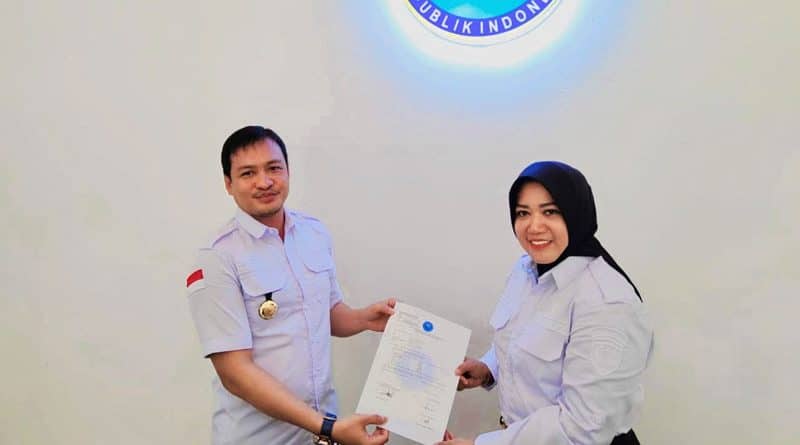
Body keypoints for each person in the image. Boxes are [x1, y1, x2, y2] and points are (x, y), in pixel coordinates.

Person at [185, 125, 395, 445]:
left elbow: (325, 312)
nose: (264, 182)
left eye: (273, 168)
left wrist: (365, 318)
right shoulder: (218, 257)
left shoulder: (314, 233)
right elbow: (235, 373)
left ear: (287, 171)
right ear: (228, 183)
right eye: (248, 173)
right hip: (258, 438)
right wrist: (326, 427)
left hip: (319, 434)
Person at [439, 161, 653, 445]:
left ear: (576, 213)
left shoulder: (607, 302)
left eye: (550, 211)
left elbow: (582, 427)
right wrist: (488, 369)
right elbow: (521, 338)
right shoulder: (526, 270)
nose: (534, 226)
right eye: (523, 213)